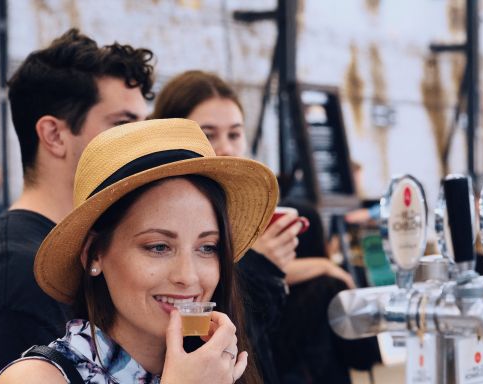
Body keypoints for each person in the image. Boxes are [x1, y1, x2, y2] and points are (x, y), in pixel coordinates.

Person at [0, 118, 276, 383]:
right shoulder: (38, 377)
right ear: (94, 254)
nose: (187, 276)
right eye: (158, 247)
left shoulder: (222, 368)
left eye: (207, 247)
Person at [0, 28, 154, 384]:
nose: (142, 142)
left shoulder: (60, 252)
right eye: (123, 125)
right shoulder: (19, 275)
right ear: (54, 135)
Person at [150, 70, 369, 383]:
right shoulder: (160, 213)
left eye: (235, 134)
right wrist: (265, 263)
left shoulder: (268, 211)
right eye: (209, 134)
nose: (225, 147)